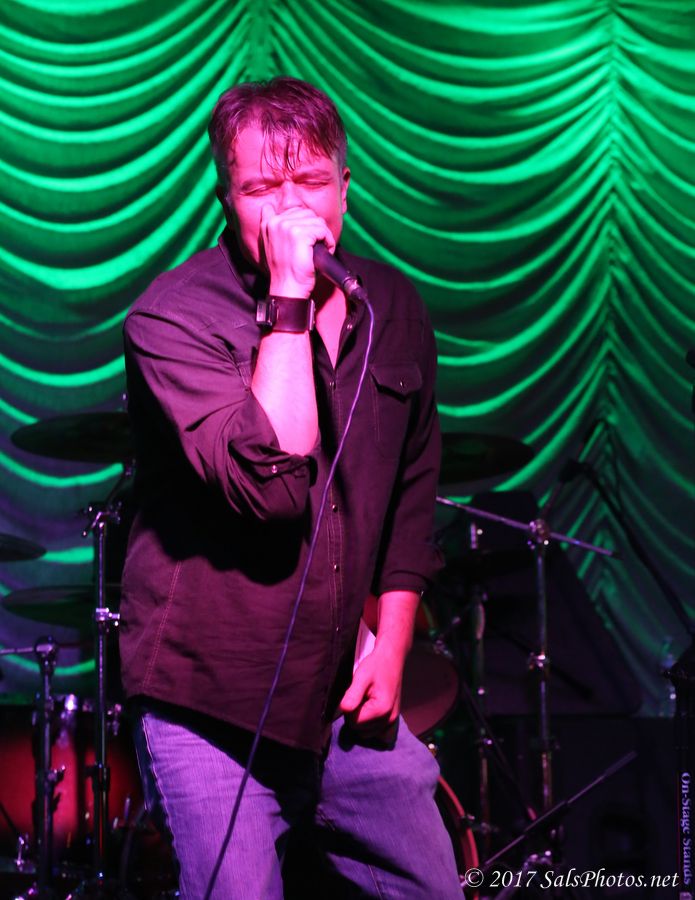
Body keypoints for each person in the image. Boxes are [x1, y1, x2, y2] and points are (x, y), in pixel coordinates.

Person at [119, 76, 462, 899]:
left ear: (345, 188)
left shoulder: (391, 306)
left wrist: (393, 644)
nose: (289, 209)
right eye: (260, 190)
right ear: (224, 199)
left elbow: (412, 489)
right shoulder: (172, 319)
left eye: (309, 182)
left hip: (341, 695)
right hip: (210, 705)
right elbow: (271, 480)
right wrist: (288, 301)